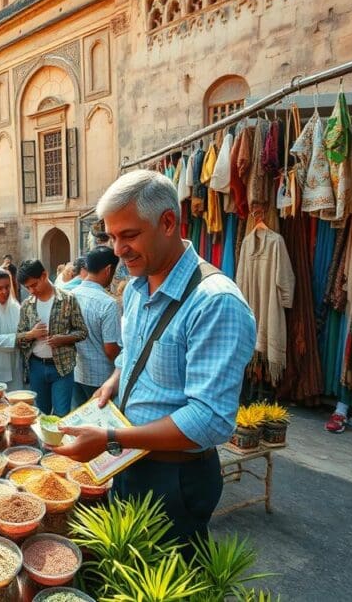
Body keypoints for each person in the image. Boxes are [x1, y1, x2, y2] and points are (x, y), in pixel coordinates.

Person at [54, 170, 256, 551]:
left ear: (167, 222)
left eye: (129, 235)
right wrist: (113, 382)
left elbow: (209, 420)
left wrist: (111, 438)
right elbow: (132, 354)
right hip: (129, 459)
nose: (117, 250)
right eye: (112, 237)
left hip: (175, 475)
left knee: (166, 570)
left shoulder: (214, 302)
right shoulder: (135, 288)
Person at [16, 260, 87, 416]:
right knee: (40, 414)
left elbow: (82, 332)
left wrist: (63, 339)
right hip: (36, 367)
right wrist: (31, 334)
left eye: (34, 285)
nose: (31, 291)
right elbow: (19, 337)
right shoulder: (27, 305)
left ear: (44, 275)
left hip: (62, 367)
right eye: (27, 288)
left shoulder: (68, 300)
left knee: (62, 415)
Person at [71, 247, 121, 409]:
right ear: (108, 270)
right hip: (101, 378)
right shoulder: (108, 304)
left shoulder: (70, 295)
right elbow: (111, 350)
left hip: (76, 372)